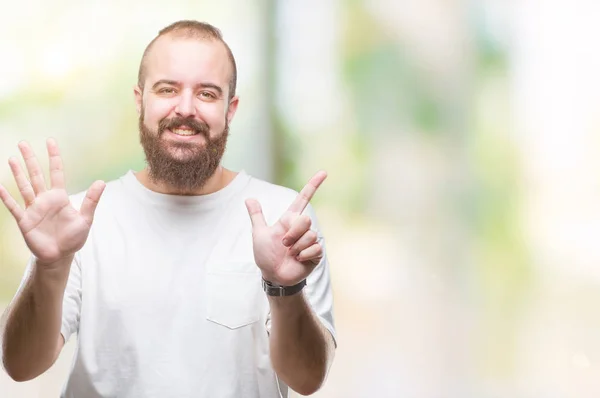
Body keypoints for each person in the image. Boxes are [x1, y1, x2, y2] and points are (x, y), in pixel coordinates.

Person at [0, 20, 336, 398]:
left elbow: (307, 380)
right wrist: (50, 267)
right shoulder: (79, 223)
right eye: (167, 89)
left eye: (207, 93)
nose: (186, 108)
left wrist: (285, 288)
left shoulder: (283, 219)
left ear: (231, 109)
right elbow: (21, 366)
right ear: (139, 99)